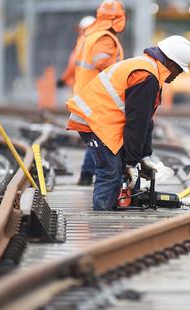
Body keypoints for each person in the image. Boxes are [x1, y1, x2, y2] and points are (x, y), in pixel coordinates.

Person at [66, 35, 190, 211]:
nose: (177, 76)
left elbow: (145, 121)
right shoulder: (147, 76)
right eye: (179, 71)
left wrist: (144, 156)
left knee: (115, 169)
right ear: (171, 64)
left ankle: (109, 208)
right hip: (94, 121)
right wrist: (131, 163)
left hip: (102, 121)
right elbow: (136, 124)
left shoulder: (150, 70)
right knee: (110, 172)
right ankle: (102, 217)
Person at [68, 0, 126, 186]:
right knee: (102, 139)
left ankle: (86, 176)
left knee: (97, 138)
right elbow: (105, 65)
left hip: (87, 96)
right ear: (117, 19)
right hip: (97, 99)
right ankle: (96, 184)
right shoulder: (104, 39)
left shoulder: (90, 35)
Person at [57, 15, 96, 89]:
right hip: (92, 86)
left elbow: (72, 64)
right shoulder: (98, 41)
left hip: (81, 86)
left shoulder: (82, 42)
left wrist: (63, 79)